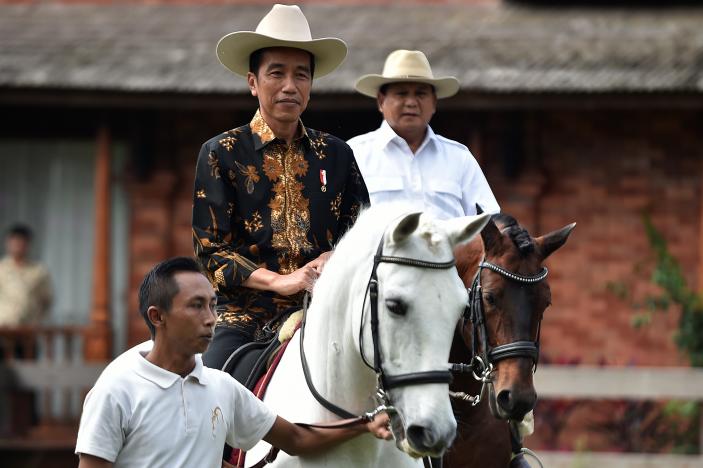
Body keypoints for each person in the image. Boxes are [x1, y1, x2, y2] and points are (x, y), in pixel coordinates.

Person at [75, 257, 390, 468]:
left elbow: (296, 438)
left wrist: (365, 424)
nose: (211, 319)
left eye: (213, 305)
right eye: (196, 306)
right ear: (158, 316)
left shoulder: (221, 387)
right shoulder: (117, 390)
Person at [193, 4, 369, 371]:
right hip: (244, 319)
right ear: (252, 82)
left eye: (301, 75)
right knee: (209, 393)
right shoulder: (221, 153)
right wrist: (281, 281)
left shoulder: (337, 155)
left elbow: (362, 235)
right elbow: (213, 253)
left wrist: (332, 259)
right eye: (277, 73)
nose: (290, 86)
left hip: (327, 311)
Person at [347, 49, 500, 219]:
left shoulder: (459, 157)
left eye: (420, 94)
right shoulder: (354, 154)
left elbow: (489, 222)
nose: (411, 103)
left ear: (434, 102)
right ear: (381, 101)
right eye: (401, 93)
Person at [0, 224, 52, 326]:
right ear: (8, 243)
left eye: (21, 242)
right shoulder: (1, 269)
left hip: (27, 330)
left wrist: (37, 320)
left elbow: (46, 300)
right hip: (3, 328)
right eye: (15, 241)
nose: (18, 245)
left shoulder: (38, 271)